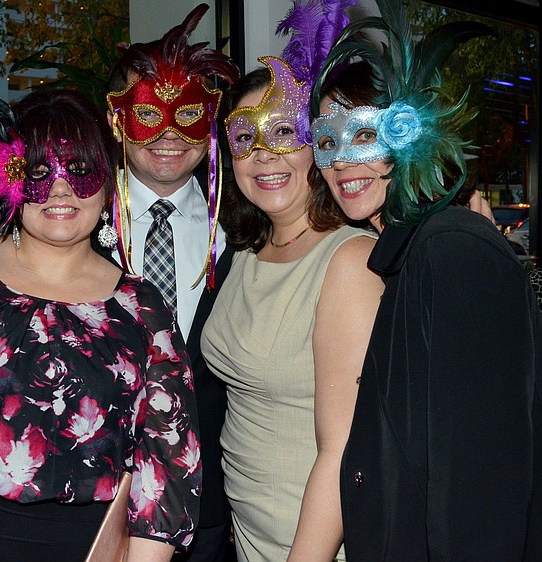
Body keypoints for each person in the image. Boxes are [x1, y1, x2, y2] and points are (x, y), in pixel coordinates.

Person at [0, 87, 201, 562]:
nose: (62, 191)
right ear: (8, 177)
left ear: (108, 183)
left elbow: (168, 459)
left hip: (93, 547)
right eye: (39, 173)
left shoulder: (142, 307)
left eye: (82, 172)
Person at [310, 0, 541, 557]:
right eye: (326, 140)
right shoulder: (407, 255)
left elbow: (479, 493)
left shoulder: (451, 251)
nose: (342, 162)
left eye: (365, 135)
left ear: (409, 134)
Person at [200, 2, 383, 559]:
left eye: (284, 131)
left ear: (318, 144)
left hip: (311, 543)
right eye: (244, 138)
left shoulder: (348, 259)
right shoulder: (244, 254)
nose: (263, 154)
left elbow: (342, 451)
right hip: (247, 532)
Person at [106, 6, 239, 561]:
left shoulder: (247, 230)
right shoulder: (70, 228)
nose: (166, 132)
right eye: (146, 114)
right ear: (116, 120)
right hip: (96, 511)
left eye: (185, 113)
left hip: (212, 515)